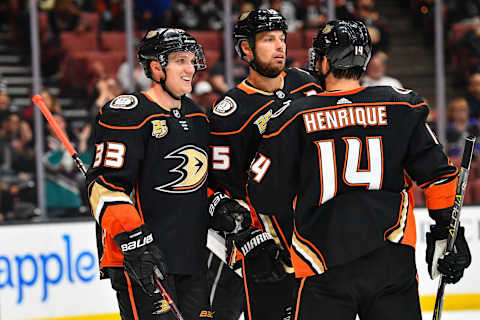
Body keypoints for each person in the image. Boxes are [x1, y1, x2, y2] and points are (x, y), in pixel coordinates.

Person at [247, 19, 472, 320]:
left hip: (319, 260)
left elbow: (262, 192)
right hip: (390, 258)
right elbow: (438, 175)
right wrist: (448, 230)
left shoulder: (291, 117)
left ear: (325, 61)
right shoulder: (400, 105)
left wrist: (282, 238)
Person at [86, 28, 221, 320]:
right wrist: (134, 239)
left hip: (191, 258)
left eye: (191, 60)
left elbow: (201, 184)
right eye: (180, 61)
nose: (190, 69)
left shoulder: (197, 117)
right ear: (157, 67)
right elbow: (104, 187)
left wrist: (220, 205)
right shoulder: (127, 115)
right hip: (143, 261)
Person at [207, 9, 322, 320]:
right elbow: (222, 190)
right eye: (269, 39)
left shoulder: (307, 85)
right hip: (271, 249)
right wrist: (250, 240)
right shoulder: (230, 114)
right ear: (246, 49)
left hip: (320, 239)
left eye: (282, 39)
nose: (280, 46)